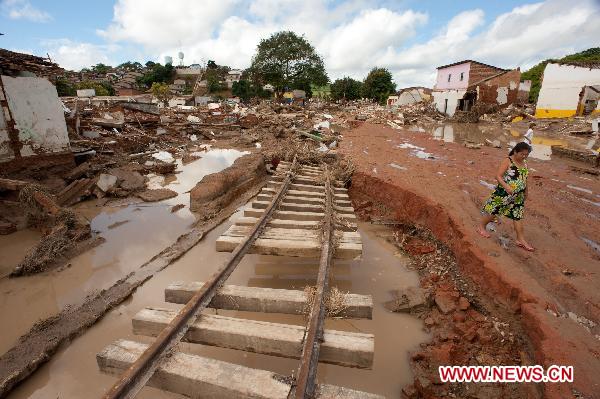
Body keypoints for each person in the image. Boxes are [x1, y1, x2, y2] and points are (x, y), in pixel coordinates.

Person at [478, 142, 534, 251]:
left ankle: (520, 239)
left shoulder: (525, 163)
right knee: (494, 212)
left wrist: (526, 191)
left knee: (517, 216)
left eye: (526, 155)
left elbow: (525, 178)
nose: (524, 156)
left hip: (518, 196)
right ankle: (481, 227)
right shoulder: (508, 161)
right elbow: (498, 176)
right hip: (504, 194)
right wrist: (507, 187)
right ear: (516, 151)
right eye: (522, 154)